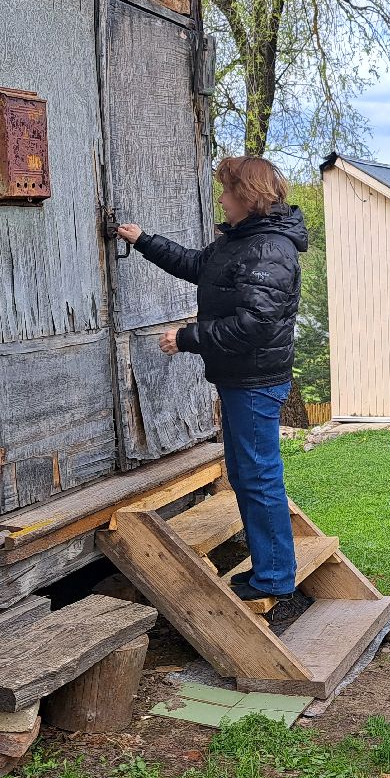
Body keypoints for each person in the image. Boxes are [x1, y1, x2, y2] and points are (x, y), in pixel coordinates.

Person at [116, 156, 306, 602]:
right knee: (246, 474)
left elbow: (256, 323)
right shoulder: (240, 241)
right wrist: (144, 240)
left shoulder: (269, 249)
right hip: (241, 378)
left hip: (255, 382)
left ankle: (275, 576)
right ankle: (269, 568)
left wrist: (187, 338)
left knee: (258, 477)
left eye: (226, 190)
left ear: (247, 196)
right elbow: (196, 266)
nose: (220, 197)